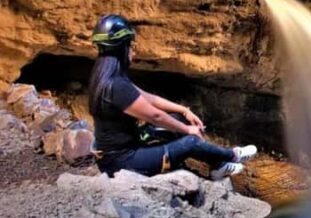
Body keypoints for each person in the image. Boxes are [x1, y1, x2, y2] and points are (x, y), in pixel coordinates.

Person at [88, 14, 256, 179]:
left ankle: (218, 167)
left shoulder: (106, 78)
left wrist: (184, 110)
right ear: (121, 48)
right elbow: (155, 115)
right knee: (190, 142)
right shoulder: (116, 85)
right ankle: (231, 155)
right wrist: (188, 130)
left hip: (126, 148)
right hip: (122, 161)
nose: (133, 50)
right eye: (130, 46)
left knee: (177, 118)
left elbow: (150, 99)